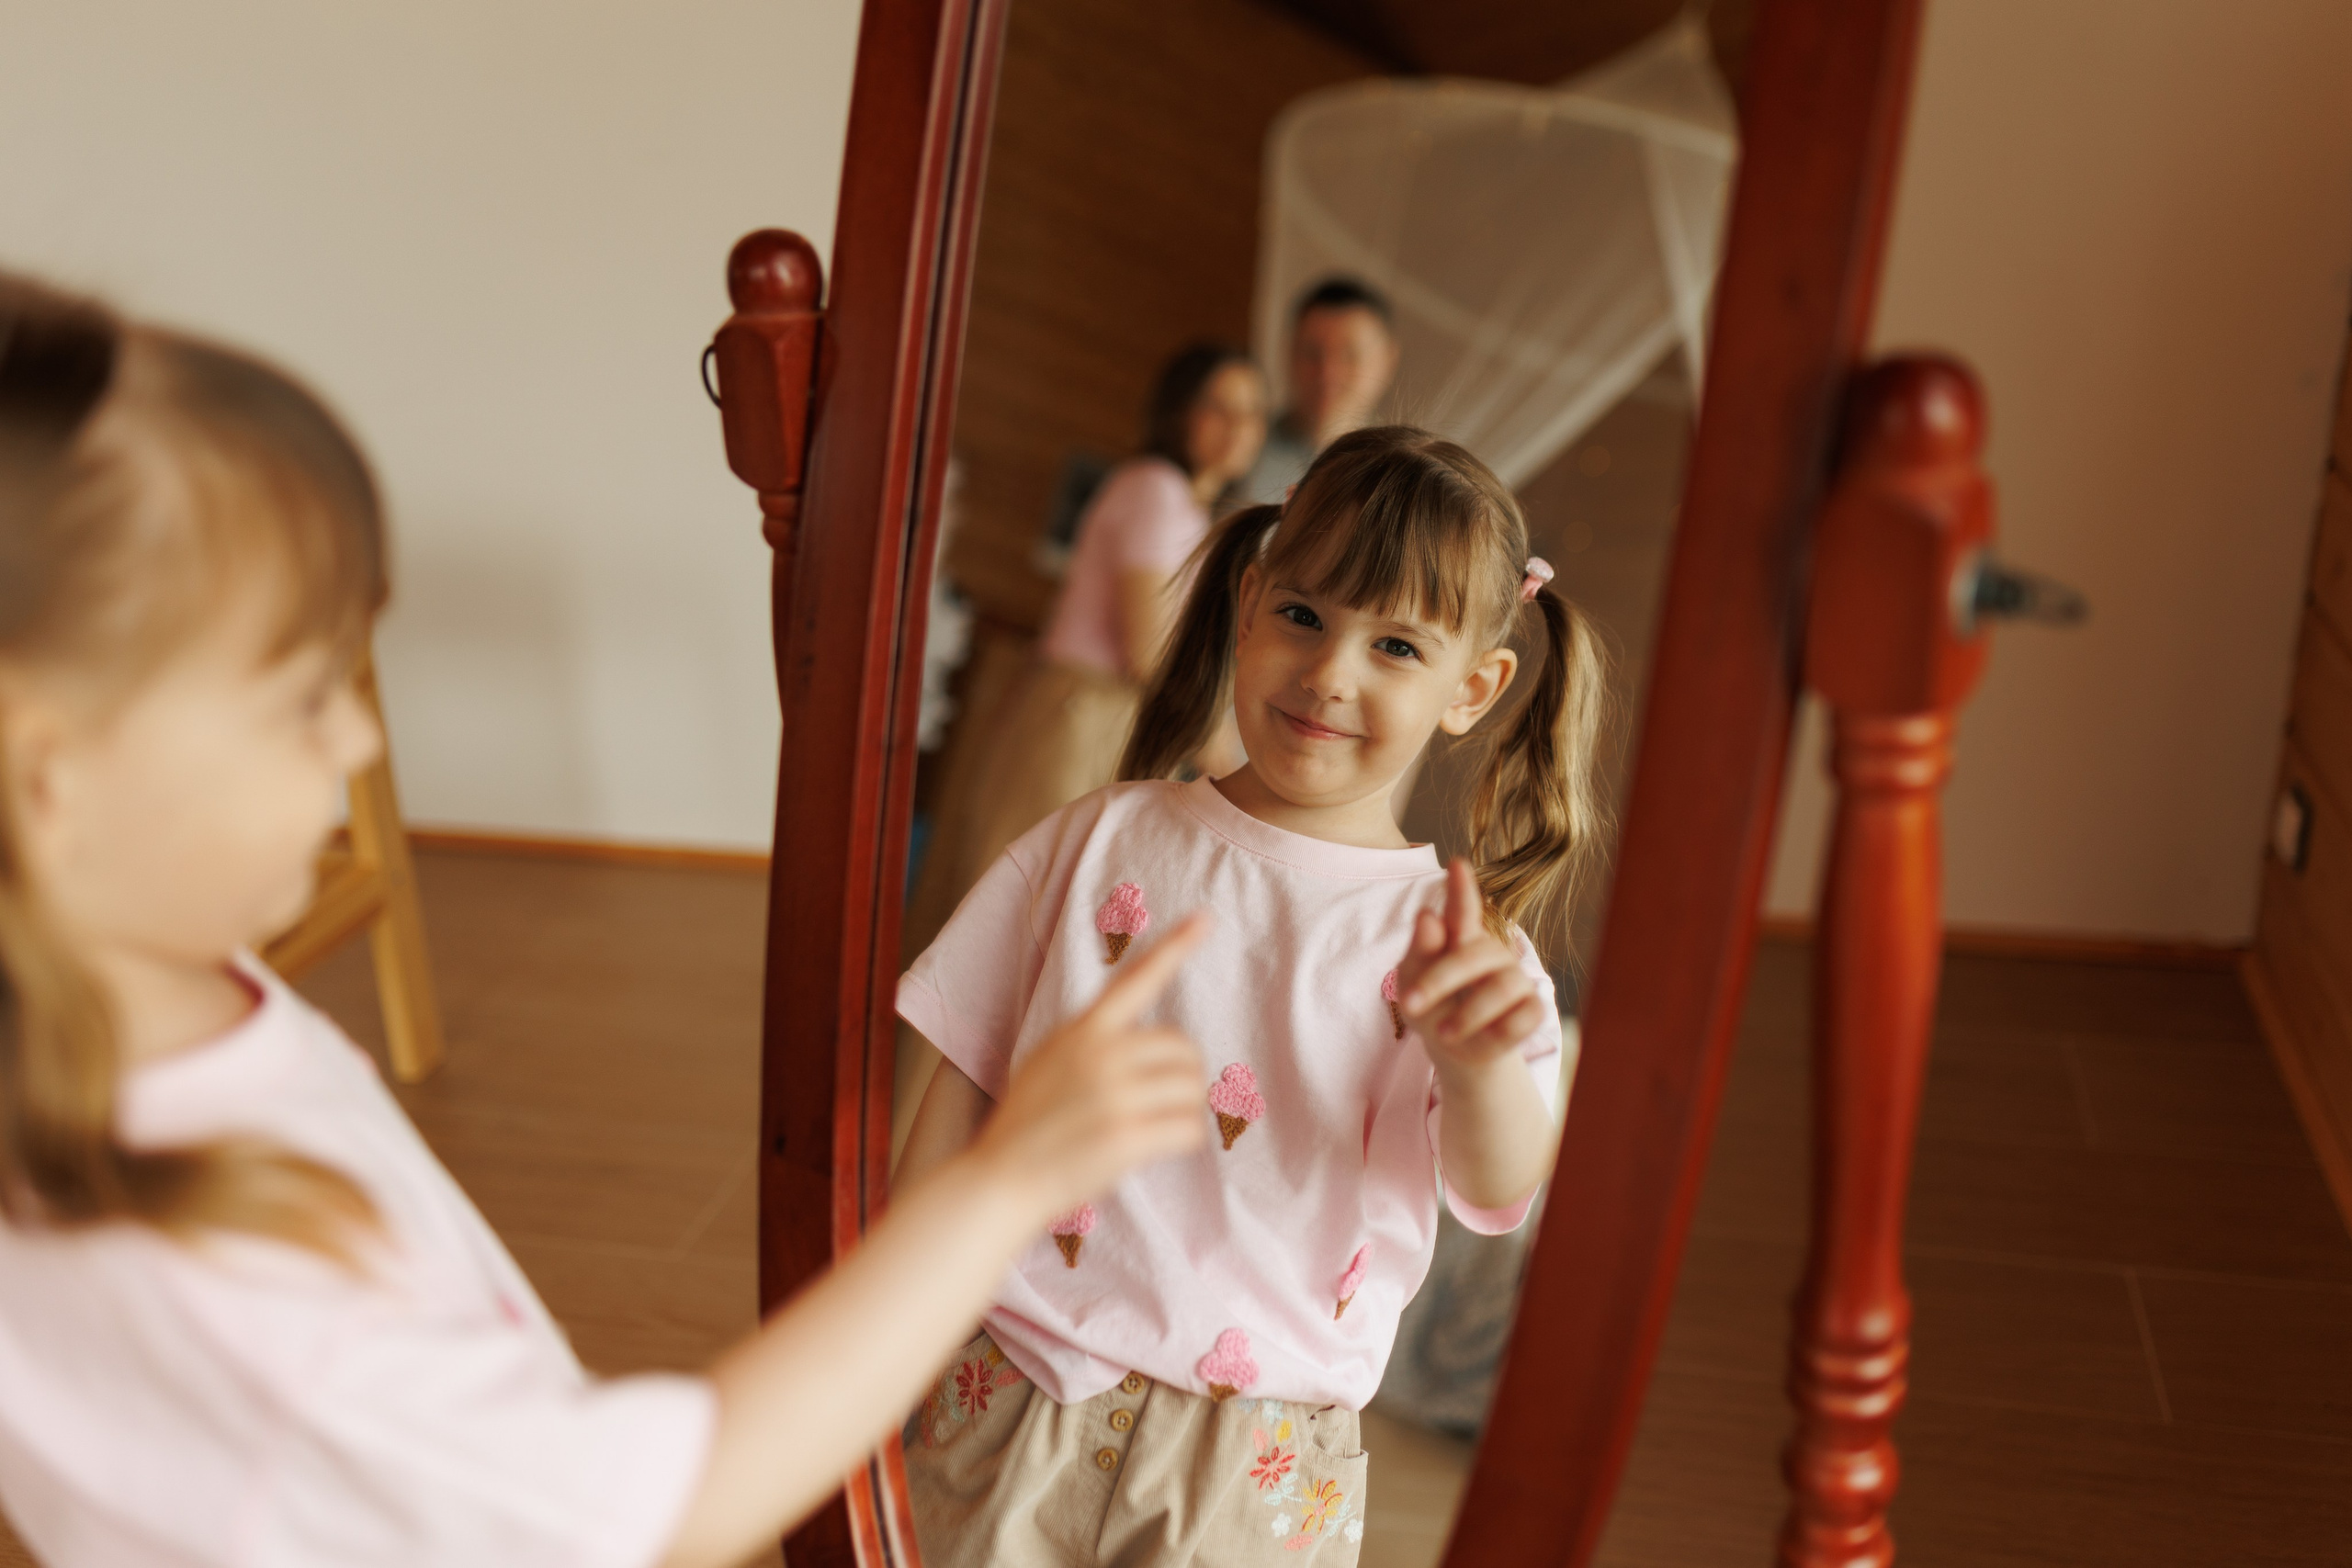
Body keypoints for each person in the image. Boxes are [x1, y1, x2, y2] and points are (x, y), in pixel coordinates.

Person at [0, 276, 1214, 1568]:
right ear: (46, 777)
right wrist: (1004, 1181)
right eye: (303, 697)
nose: (358, 735)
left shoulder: (127, 976)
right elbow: (662, 1503)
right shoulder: (229, 1290)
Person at [893, 426, 1611, 1566]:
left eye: (1395, 646)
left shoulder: (1462, 954)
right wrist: (889, 1337)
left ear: (1472, 689)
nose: (1331, 674)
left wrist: (1476, 1064)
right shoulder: (1098, 840)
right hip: (1006, 1394)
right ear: (1246, 599)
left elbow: (1499, 1186)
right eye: (1304, 616)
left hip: (1256, 1473)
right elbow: (956, 1096)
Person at [906, 342, 1266, 957]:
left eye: (1253, 412)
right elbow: (1150, 649)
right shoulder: (1155, 489)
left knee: (1041, 926)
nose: (1238, 427)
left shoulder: (1184, 507)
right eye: (1218, 406)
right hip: (1081, 716)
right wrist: (1230, 761)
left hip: (1104, 719)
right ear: (1179, 411)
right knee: (1015, 925)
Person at [1238, 277, 1401, 507]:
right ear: (1289, 352)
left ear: (1388, 360)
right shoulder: (1239, 449)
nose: (1328, 373)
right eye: (1312, 352)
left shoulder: (1404, 472)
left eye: (1349, 356)